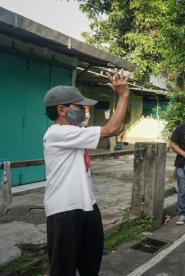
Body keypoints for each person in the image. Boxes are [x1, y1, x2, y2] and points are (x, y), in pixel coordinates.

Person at [43, 69, 130, 276]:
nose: (85, 110)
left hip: (87, 206)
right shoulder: (57, 133)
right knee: (63, 270)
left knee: (90, 265)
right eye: (80, 106)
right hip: (64, 211)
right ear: (62, 110)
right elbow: (111, 129)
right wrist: (124, 95)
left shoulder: (76, 133)